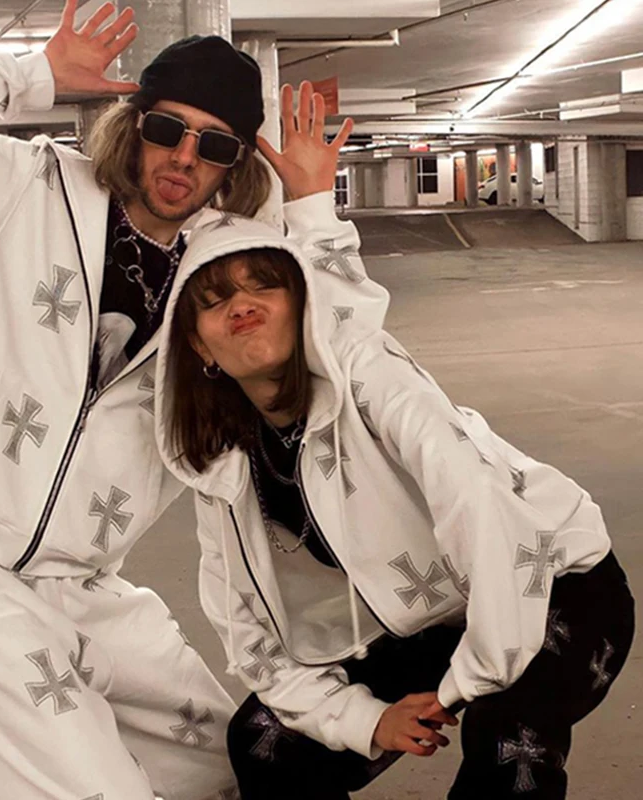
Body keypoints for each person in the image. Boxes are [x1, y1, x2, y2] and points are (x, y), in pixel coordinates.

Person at [0, 1, 380, 798]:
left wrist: (309, 211)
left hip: (87, 577)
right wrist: (31, 74)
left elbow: (346, 354)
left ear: (235, 165)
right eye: (168, 128)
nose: (184, 157)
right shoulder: (12, 191)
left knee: (232, 764)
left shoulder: (223, 269)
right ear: (133, 124)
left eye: (214, 145)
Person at [154, 213, 635, 799]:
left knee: (509, 739)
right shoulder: (222, 469)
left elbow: (483, 508)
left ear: (303, 308)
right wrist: (365, 719)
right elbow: (246, 632)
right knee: (263, 741)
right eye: (214, 299)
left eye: (265, 284)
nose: (241, 305)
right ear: (199, 344)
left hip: (554, 582)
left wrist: (461, 685)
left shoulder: (369, 377)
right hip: (432, 620)